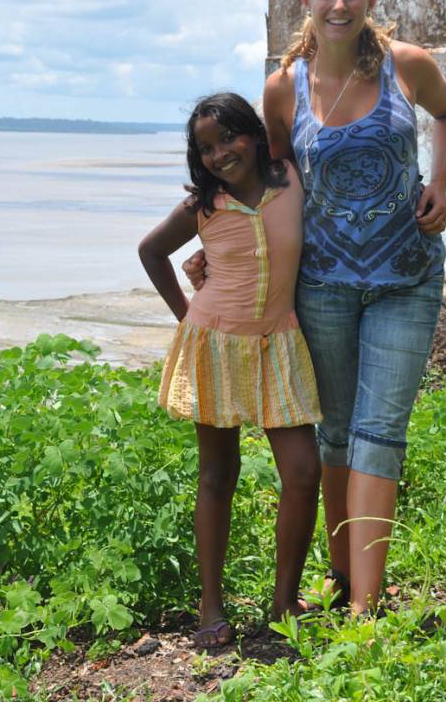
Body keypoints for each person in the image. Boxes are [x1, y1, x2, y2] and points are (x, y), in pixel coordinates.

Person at [185, 0, 446, 617]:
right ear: (304, 2)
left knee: (380, 431)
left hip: (407, 275)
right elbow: (269, 182)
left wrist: (443, 186)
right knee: (337, 431)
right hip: (325, 284)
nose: (340, 5)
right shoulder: (285, 88)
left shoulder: (409, 66)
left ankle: (365, 612)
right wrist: (218, 246)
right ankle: (342, 578)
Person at [138, 92, 322, 648]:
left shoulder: (289, 178)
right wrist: (187, 316)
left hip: (278, 343)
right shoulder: (204, 204)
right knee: (219, 475)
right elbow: (151, 252)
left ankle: (284, 601)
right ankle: (210, 605)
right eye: (206, 148)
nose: (220, 154)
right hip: (215, 343)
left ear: (254, 133)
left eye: (228, 138)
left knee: (303, 471)